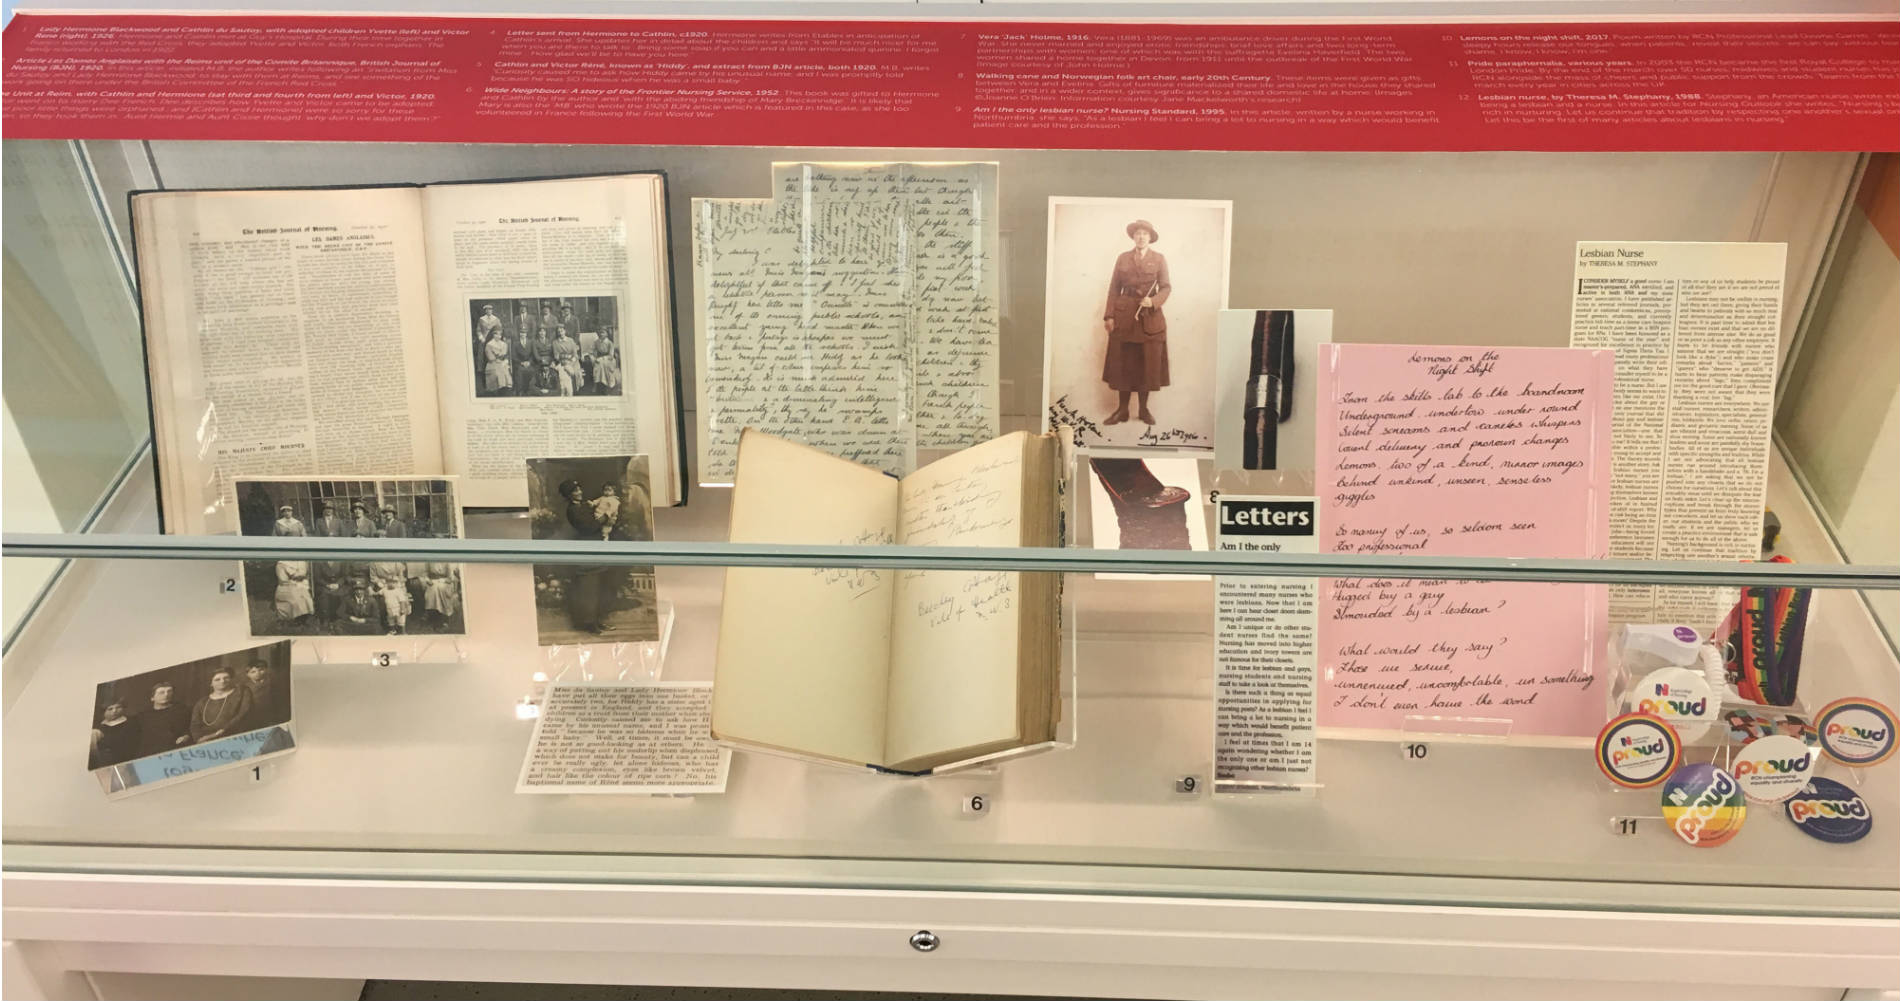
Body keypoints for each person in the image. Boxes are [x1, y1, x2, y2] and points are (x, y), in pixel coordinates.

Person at [1100, 219, 1172, 426]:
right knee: (1123, 362)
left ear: (1150, 238)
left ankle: (1143, 410)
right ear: (1133, 236)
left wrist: (1154, 301)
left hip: (1149, 317)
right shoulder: (1123, 258)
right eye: (1138, 233)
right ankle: (1122, 410)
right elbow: (1114, 288)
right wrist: (1109, 316)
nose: (1141, 237)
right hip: (1124, 316)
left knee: (1147, 364)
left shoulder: (1159, 259)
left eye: (1145, 234)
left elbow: (1166, 287)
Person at [556, 479, 632, 634]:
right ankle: (589, 623)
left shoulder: (584, 505)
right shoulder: (573, 510)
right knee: (588, 588)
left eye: (579, 489)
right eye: (575, 491)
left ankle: (597, 621)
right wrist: (606, 516)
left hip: (597, 546)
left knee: (599, 586)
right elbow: (588, 528)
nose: (579, 492)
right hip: (587, 550)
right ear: (569, 495)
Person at [190, 667, 255, 744]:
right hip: (207, 739)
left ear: (231, 679)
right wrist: (198, 739)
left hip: (234, 735)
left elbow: (244, 713)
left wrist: (222, 731)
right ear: (211, 683)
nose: (222, 681)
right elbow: (195, 725)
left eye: (226, 678)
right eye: (217, 679)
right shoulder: (202, 702)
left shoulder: (242, 692)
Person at [133, 681, 192, 757]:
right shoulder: (143, 716)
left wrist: (186, 736)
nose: (166, 695)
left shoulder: (182, 710)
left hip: (176, 750)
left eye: (169, 691)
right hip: (150, 753)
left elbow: (190, 729)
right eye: (161, 692)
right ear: (152, 697)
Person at [89, 698, 138, 769]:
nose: (115, 711)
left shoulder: (131, 722)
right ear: (104, 712)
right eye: (110, 709)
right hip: (106, 762)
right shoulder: (99, 727)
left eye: (118, 707)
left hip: (127, 758)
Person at [369, 560, 411, 634]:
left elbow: (401, 576)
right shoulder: (374, 563)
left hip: (396, 583)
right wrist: (381, 583)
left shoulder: (396, 562)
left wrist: (396, 582)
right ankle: (389, 625)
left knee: (401, 598)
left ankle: (401, 627)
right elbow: (373, 577)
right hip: (381, 585)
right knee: (383, 600)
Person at [242, 660, 286, 729]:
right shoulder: (245, 687)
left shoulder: (273, 683)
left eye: (261, 670)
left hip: (271, 715)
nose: (258, 673)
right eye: (253, 672)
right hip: (254, 716)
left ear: (266, 670)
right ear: (247, 675)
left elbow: (280, 701)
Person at [274, 560, 315, 627]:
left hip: (300, 585)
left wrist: (299, 578)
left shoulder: (302, 562)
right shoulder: (281, 564)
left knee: (306, 598)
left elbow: (304, 574)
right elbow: (283, 580)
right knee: (296, 600)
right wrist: (297, 577)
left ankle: (302, 620)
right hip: (286, 587)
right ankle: (293, 621)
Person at [311, 558, 348, 631]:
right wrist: (327, 585)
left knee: (341, 594)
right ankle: (325, 619)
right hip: (324, 585)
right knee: (324, 595)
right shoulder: (319, 562)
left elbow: (344, 576)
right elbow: (317, 578)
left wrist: (338, 584)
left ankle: (337, 620)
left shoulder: (341, 560)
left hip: (337, 585)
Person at [551, 326, 582, 396]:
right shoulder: (555, 342)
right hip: (561, 361)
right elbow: (556, 356)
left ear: (565, 331)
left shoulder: (570, 340)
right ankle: (565, 391)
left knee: (574, 372)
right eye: (559, 332)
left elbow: (575, 354)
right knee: (563, 371)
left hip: (572, 361)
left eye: (562, 331)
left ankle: (574, 390)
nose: (561, 333)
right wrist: (564, 361)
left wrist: (571, 361)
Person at [510, 322, 537, 397]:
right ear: (519, 333)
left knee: (532, 371)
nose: (523, 334)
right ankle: (519, 391)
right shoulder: (515, 343)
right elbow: (514, 356)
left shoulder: (531, 342)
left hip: (529, 363)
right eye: (521, 332)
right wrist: (521, 363)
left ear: (527, 333)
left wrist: (529, 362)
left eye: (524, 333)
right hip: (519, 363)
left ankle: (529, 390)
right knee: (519, 372)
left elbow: (533, 354)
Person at [482, 329, 512, 394]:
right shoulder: (489, 344)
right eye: (496, 334)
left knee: (506, 373)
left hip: (502, 362)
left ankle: (505, 389)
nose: (498, 336)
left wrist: (505, 360)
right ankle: (497, 389)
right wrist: (497, 358)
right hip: (493, 363)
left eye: (500, 335)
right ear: (493, 335)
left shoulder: (503, 344)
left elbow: (506, 355)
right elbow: (490, 357)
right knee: (497, 373)